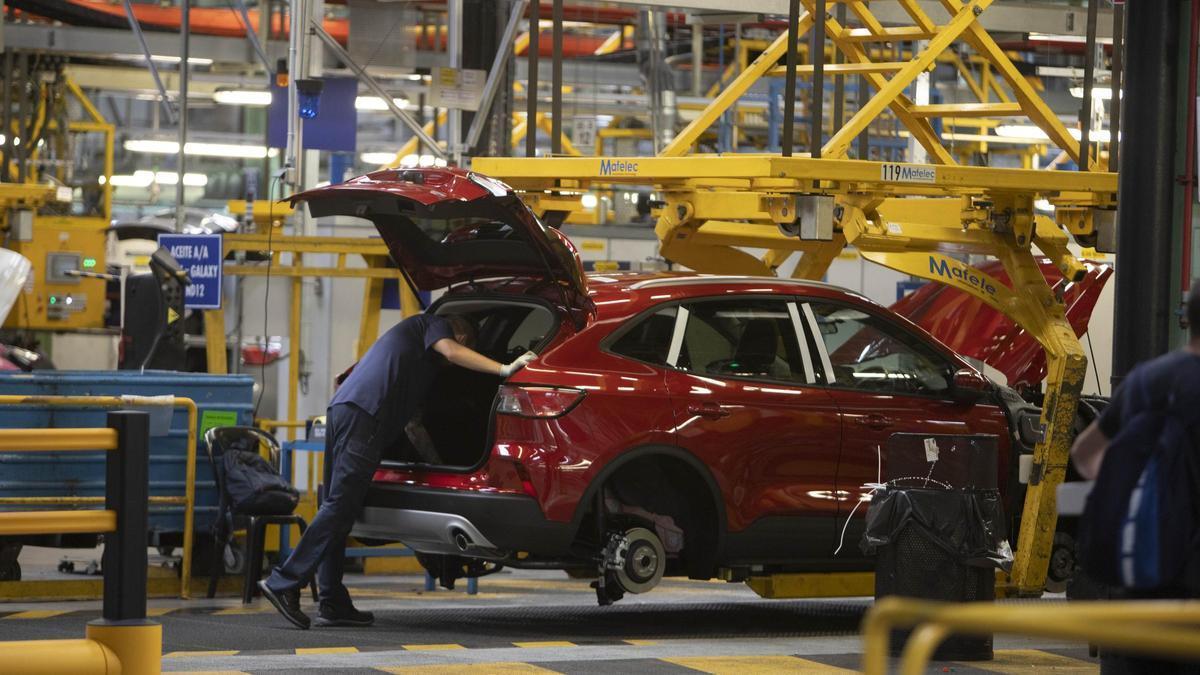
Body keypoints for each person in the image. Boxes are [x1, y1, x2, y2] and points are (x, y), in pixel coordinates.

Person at [259, 312, 535, 629]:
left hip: (345, 409)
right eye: (468, 346)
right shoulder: (435, 324)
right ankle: (284, 582)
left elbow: (413, 425)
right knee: (340, 507)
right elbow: (451, 351)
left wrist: (435, 465)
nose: (453, 363)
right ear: (462, 335)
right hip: (367, 416)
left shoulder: (413, 357)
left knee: (337, 507)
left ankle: (333, 601)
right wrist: (504, 368)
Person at [1071, 281, 1200, 674]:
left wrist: (1134, 500)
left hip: (1139, 579)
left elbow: (1085, 454)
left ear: (1187, 321)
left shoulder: (1147, 379)